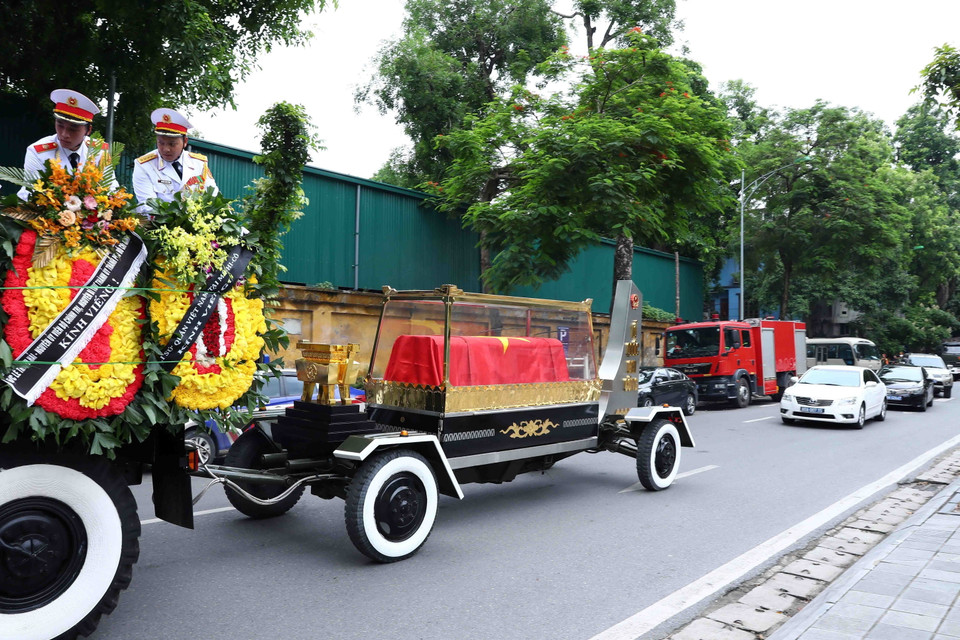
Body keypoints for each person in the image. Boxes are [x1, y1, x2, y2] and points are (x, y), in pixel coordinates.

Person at [18, 89, 110, 199]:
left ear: (88, 130)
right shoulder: (37, 152)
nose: (64, 134)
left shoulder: (100, 151)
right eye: (60, 125)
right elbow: (32, 192)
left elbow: (110, 189)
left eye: (73, 129)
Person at [132, 108, 218, 211]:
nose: (166, 149)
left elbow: (213, 198)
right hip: (159, 225)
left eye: (172, 144)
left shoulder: (199, 163)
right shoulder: (144, 165)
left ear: (185, 142)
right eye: (161, 143)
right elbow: (147, 207)